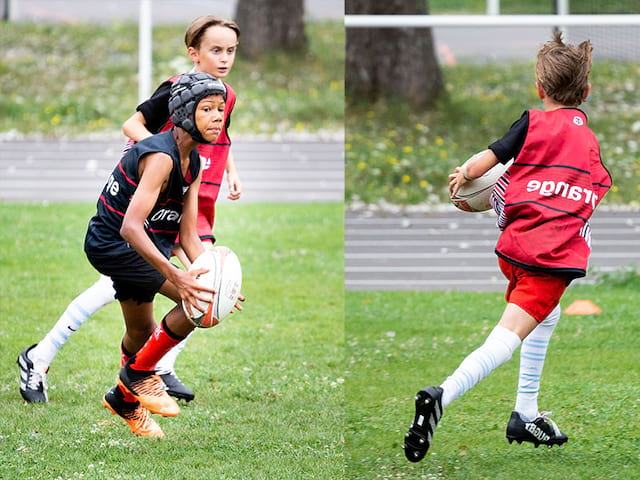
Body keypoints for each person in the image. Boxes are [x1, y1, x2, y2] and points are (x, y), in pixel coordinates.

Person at [403, 32, 612, 462]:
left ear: (539, 88)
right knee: (504, 340)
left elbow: (493, 157)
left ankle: (525, 413)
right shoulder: (587, 141)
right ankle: (442, 394)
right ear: (586, 92)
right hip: (549, 259)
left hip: (515, 247)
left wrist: (466, 175)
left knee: (547, 317)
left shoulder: (531, 122)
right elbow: (593, 188)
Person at [17, 15, 242, 404]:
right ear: (194, 53)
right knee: (158, 288)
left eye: (231, 51)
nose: (224, 58)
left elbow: (220, 139)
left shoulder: (225, 97)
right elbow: (132, 125)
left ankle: (151, 370)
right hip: (151, 198)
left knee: (202, 290)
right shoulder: (176, 91)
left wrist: (231, 173)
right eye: (216, 50)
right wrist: (158, 155)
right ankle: (48, 358)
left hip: (193, 197)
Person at [86, 71, 240, 438]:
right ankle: (140, 376)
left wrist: (211, 275)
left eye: (221, 109)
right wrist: (181, 280)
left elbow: (188, 234)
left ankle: (124, 399)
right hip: (113, 243)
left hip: (141, 245)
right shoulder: (161, 157)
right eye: (208, 109)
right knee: (197, 305)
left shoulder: (195, 162)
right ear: (185, 113)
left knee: (141, 330)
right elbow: (130, 227)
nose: (219, 116)